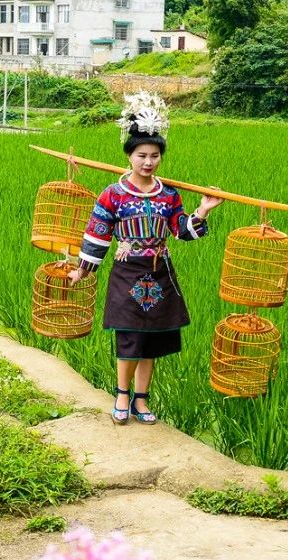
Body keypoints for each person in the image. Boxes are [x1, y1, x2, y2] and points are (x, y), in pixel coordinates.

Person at [66, 92, 223, 425]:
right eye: (142, 155)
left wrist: (203, 210)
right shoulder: (114, 194)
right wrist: (83, 270)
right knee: (129, 336)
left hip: (160, 273)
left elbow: (181, 231)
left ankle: (141, 400)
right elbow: (97, 234)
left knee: (152, 339)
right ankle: (121, 395)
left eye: (154, 156)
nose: (148, 162)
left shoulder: (168, 195)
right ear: (129, 155)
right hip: (127, 272)